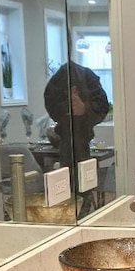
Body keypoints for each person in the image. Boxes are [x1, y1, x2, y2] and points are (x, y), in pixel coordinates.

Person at [44, 60, 110, 212]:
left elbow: (101, 106)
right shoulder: (59, 80)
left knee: (83, 183)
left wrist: (84, 108)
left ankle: (82, 208)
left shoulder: (86, 77)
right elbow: (52, 103)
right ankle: (76, 209)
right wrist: (71, 109)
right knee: (68, 183)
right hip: (68, 141)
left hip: (80, 141)